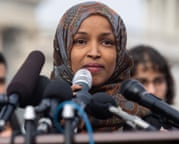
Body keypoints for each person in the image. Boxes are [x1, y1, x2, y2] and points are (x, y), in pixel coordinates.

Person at [50, 1, 152, 132]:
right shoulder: (45, 114)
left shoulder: (145, 121)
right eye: (81, 41)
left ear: (119, 52)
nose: (94, 53)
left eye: (107, 42)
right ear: (63, 49)